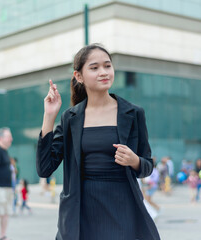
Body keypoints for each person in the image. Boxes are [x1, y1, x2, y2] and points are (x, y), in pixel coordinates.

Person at [36, 44, 160, 240]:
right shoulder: (71, 118)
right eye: (94, 68)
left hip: (122, 209)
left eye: (107, 66)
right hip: (80, 212)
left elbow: (147, 165)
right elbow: (45, 168)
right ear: (79, 76)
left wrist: (134, 160)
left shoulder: (133, 113)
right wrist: (49, 116)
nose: (103, 72)